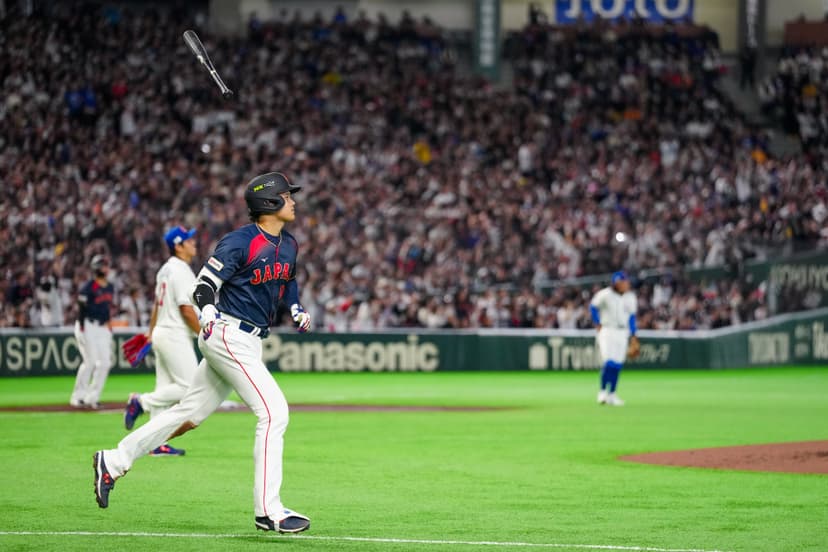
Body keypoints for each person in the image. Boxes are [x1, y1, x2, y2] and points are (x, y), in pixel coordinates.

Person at [93, 172, 313, 534]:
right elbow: (205, 285)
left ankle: (113, 460)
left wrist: (296, 307)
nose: (293, 201)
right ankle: (268, 511)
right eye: (288, 196)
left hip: (247, 339)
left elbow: (288, 281)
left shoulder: (288, 243)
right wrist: (208, 310)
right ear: (269, 202)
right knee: (275, 413)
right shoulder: (240, 242)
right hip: (227, 332)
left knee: (187, 415)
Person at [122, 226, 200, 457]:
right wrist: (204, 333)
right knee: (189, 387)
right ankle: (140, 402)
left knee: (165, 390)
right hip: (174, 333)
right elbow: (185, 309)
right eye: (189, 240)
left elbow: (157, 304)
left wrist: (150, 331)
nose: (193, 243)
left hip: (162, 332)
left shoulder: (165, 270)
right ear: (178, 245)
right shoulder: (181, 270)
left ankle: (156, 444)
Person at [70, 255, 114, 409]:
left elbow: (107, 308)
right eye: (103, 265)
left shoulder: (110, 287)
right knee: (90, 362)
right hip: (87, 325)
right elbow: (81, 309)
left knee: (105, 363)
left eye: (106, 265)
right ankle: (78, 396)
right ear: (96, 268)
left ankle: (92, 397)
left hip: (102, 327)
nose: (106, 268)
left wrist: (109, 324)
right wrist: (81, 327)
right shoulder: (88, 287)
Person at [590, 271, 638, 406]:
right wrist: (597, 322)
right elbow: (593, 306)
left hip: (622, 332)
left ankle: (612, 394)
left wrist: (634, 335)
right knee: (609, 362)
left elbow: (632, 317)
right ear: (617, 283)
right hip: (607, 329)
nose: (626, 284)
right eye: (624, 282)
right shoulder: (605, 294)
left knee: (617, 365)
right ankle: (602, 391)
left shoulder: (630, 297)